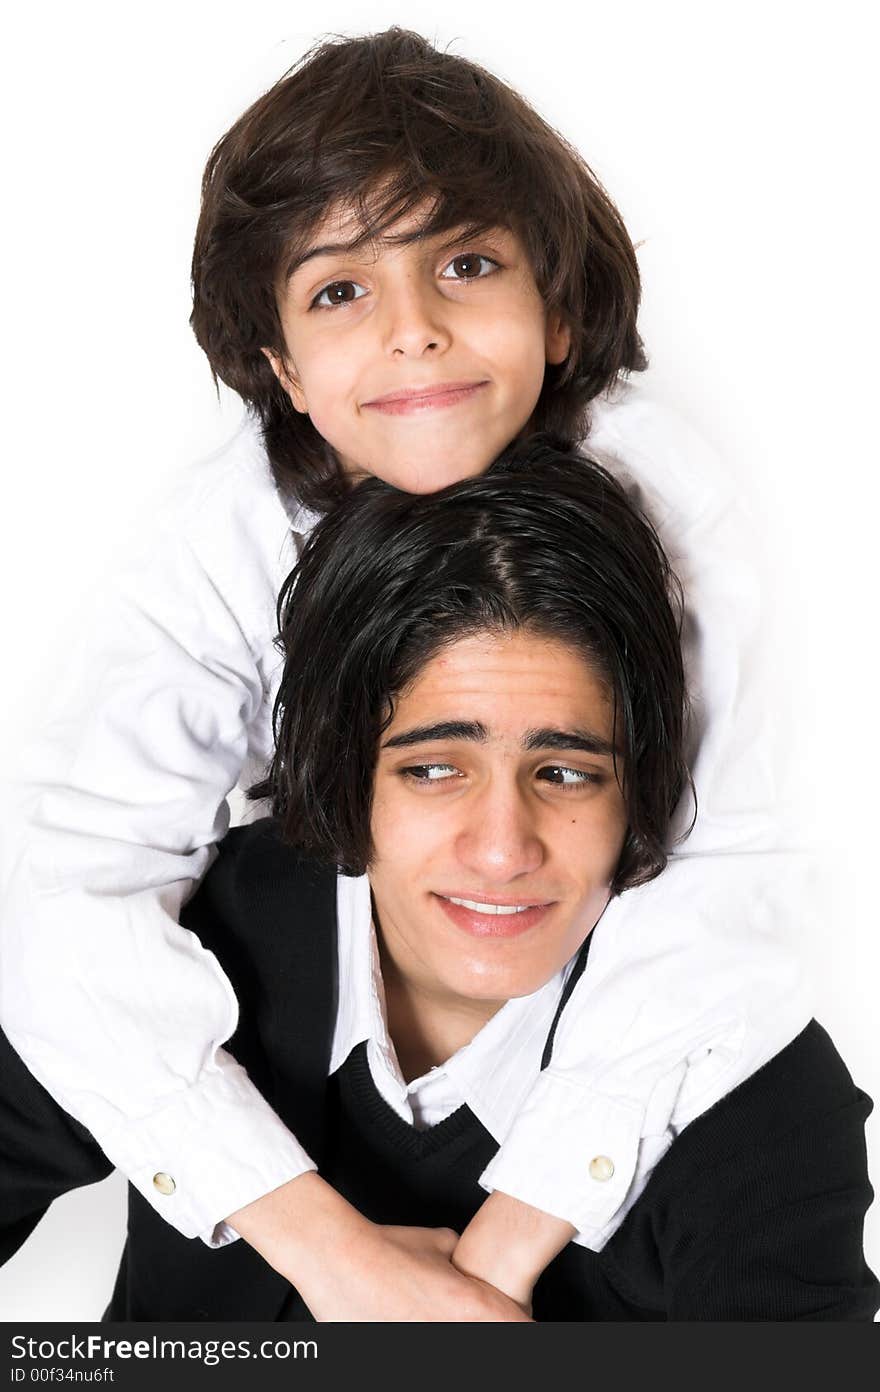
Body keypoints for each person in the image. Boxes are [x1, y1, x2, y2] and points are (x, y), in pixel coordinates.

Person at [0, 29, 811, 1309]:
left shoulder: (679, 518)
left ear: (556, 311)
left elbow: (741, 871)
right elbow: (66, 887)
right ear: (278, 374)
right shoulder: (210, 555)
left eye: (466, 265)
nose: (416, 333)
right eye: (339, 292)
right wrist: (342, 1262)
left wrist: (487, 1266)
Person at [2, 445, 875, 1321]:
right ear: (348, 776)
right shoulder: (162, 954)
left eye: (566, 773)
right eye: (432, 770)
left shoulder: (755, 1097)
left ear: (636, 795)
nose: (503, 851)